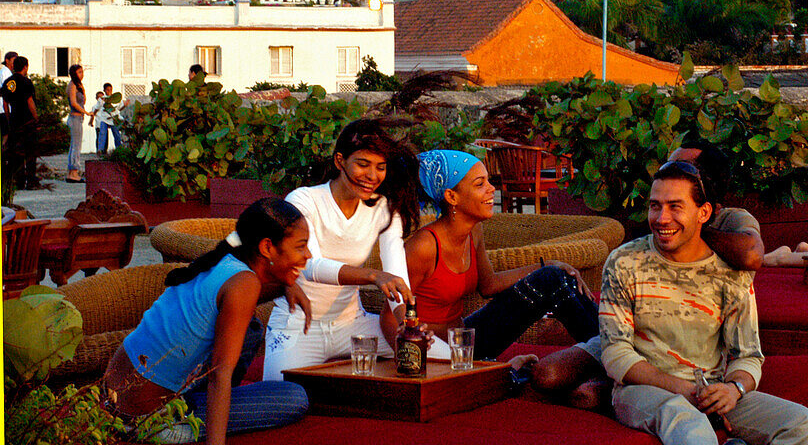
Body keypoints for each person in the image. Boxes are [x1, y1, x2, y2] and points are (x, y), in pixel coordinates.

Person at [600, 161, 808, 445]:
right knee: (690, 425)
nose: (661, 218)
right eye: (655, 206)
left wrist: (734, 389)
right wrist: (686, 390)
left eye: (675, 206)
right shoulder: (624, 262)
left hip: (712, 391)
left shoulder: (728, 272)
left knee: (805, 427)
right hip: (643, 389)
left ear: (703, 212)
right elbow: (616, 353)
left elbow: (748, 354)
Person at [532, 140, 765, 409]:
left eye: (682, 168)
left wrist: (691, 229)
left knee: (586, 396)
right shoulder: (657, 224)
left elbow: (752, 255)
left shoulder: (731, 220)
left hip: (693, 341)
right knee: (546, 375)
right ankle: (623, 376)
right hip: (638, 328)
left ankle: (620, 385)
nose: (670, 171)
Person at [100, 198, 311, 445]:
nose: (307, 255)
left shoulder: (225, 261)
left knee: (251, 330)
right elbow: (218, 376)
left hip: (112, 399)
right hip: (148, 423)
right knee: (294, 397)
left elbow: (226, 304)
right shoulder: (245, 284)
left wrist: (284, 288)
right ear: (267, 247)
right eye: (300, 246)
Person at [405, 149, 598, 361]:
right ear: (452, 196)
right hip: (441, 352)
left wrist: (547, 265)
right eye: (480, 184)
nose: (491, 189)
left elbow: (489, 286)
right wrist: (414, 358)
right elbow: (390, 316)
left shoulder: (473, 231)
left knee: (552, 277)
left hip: (466, 340)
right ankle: (609, 354)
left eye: (488, 181)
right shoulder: (423, 246)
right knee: (551, 277)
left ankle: (612, 345)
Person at [263, 118, 417, 381]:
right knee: (283, 395)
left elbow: (397, 280)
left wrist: (406, 326)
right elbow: (308, 267)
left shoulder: (385, 209)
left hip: (353, 326)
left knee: (437, 356)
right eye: (362, 164)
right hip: (299, 325)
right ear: (339, 161)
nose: (372, 176)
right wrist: (373, 276)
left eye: (380, 167)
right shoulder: (303, 200)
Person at [1, 56, 41, 189]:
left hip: (14, 120)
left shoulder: (8, 82)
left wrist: (8, 117)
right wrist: (36, 118)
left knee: (16, 152)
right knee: (30, 152)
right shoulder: (26, 82)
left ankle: (19, 182)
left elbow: (5, 103)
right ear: (25, 67)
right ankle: (31, 181)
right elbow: (30, 101)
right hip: (27, 120)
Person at [66, 63, 92, 182]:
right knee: (76, 146)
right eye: (79, 72)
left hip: (79, 118)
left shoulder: (79, 85)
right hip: (75, 118)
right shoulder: (72, 85)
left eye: (82, 71)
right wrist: (86, 112)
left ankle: (71, 172)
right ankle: (74, 172)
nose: (82, 74)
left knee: (75, 145)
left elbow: (83, 100)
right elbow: (74, 103)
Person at [93, 82, 124, 154]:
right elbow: (97, 108)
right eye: (107, 90)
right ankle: (100, 150)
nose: (109, 91)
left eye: (110, 90)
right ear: (104, 90)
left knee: (116, 134)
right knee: (102, 133)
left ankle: (119, 149)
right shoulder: (102, 99)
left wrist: (125, 105)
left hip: (113, 118)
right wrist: (93, 114)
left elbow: (119, 108)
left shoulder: (115, 99)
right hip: (104, 119)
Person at [1, 50, 16, 147]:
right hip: (3, 109)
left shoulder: (5, 72)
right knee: (6, 135)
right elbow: (8, 91)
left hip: (4, 108)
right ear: (7, 60)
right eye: (14, 60)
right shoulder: (6, 74)